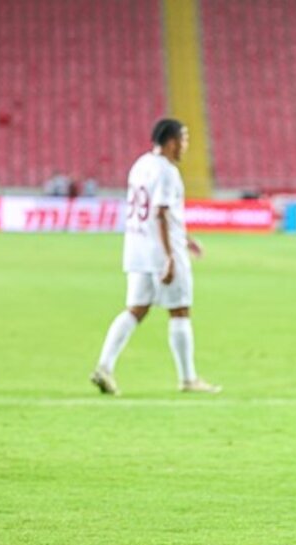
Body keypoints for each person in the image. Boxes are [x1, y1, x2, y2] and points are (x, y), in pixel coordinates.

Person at [91, 119, 220, 395]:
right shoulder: (167, 172)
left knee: (136, 309)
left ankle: (104, 367)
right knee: (180, 310)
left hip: (137, 249)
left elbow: (156, 213)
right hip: (161, 252)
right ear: (172, 142)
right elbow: (160, 213)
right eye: (184, 139)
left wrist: (186, 238)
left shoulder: (141, 165)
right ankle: (188, 379)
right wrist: (170, 256)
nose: (186, 146)